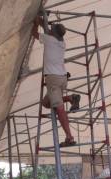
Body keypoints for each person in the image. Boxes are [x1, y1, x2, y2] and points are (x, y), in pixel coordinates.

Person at [32, 15, 80, 146]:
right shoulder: (61, 42)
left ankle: (69, 137)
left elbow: (34, 33)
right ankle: (70, 98)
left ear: (53, 32)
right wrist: (41, 21)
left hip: (53, 79)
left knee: (60, 110)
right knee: (46, 103)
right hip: (62, 78)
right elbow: (48, 31)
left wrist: (36, 23)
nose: (50, 28)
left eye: (51, 28)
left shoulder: (49, 39)